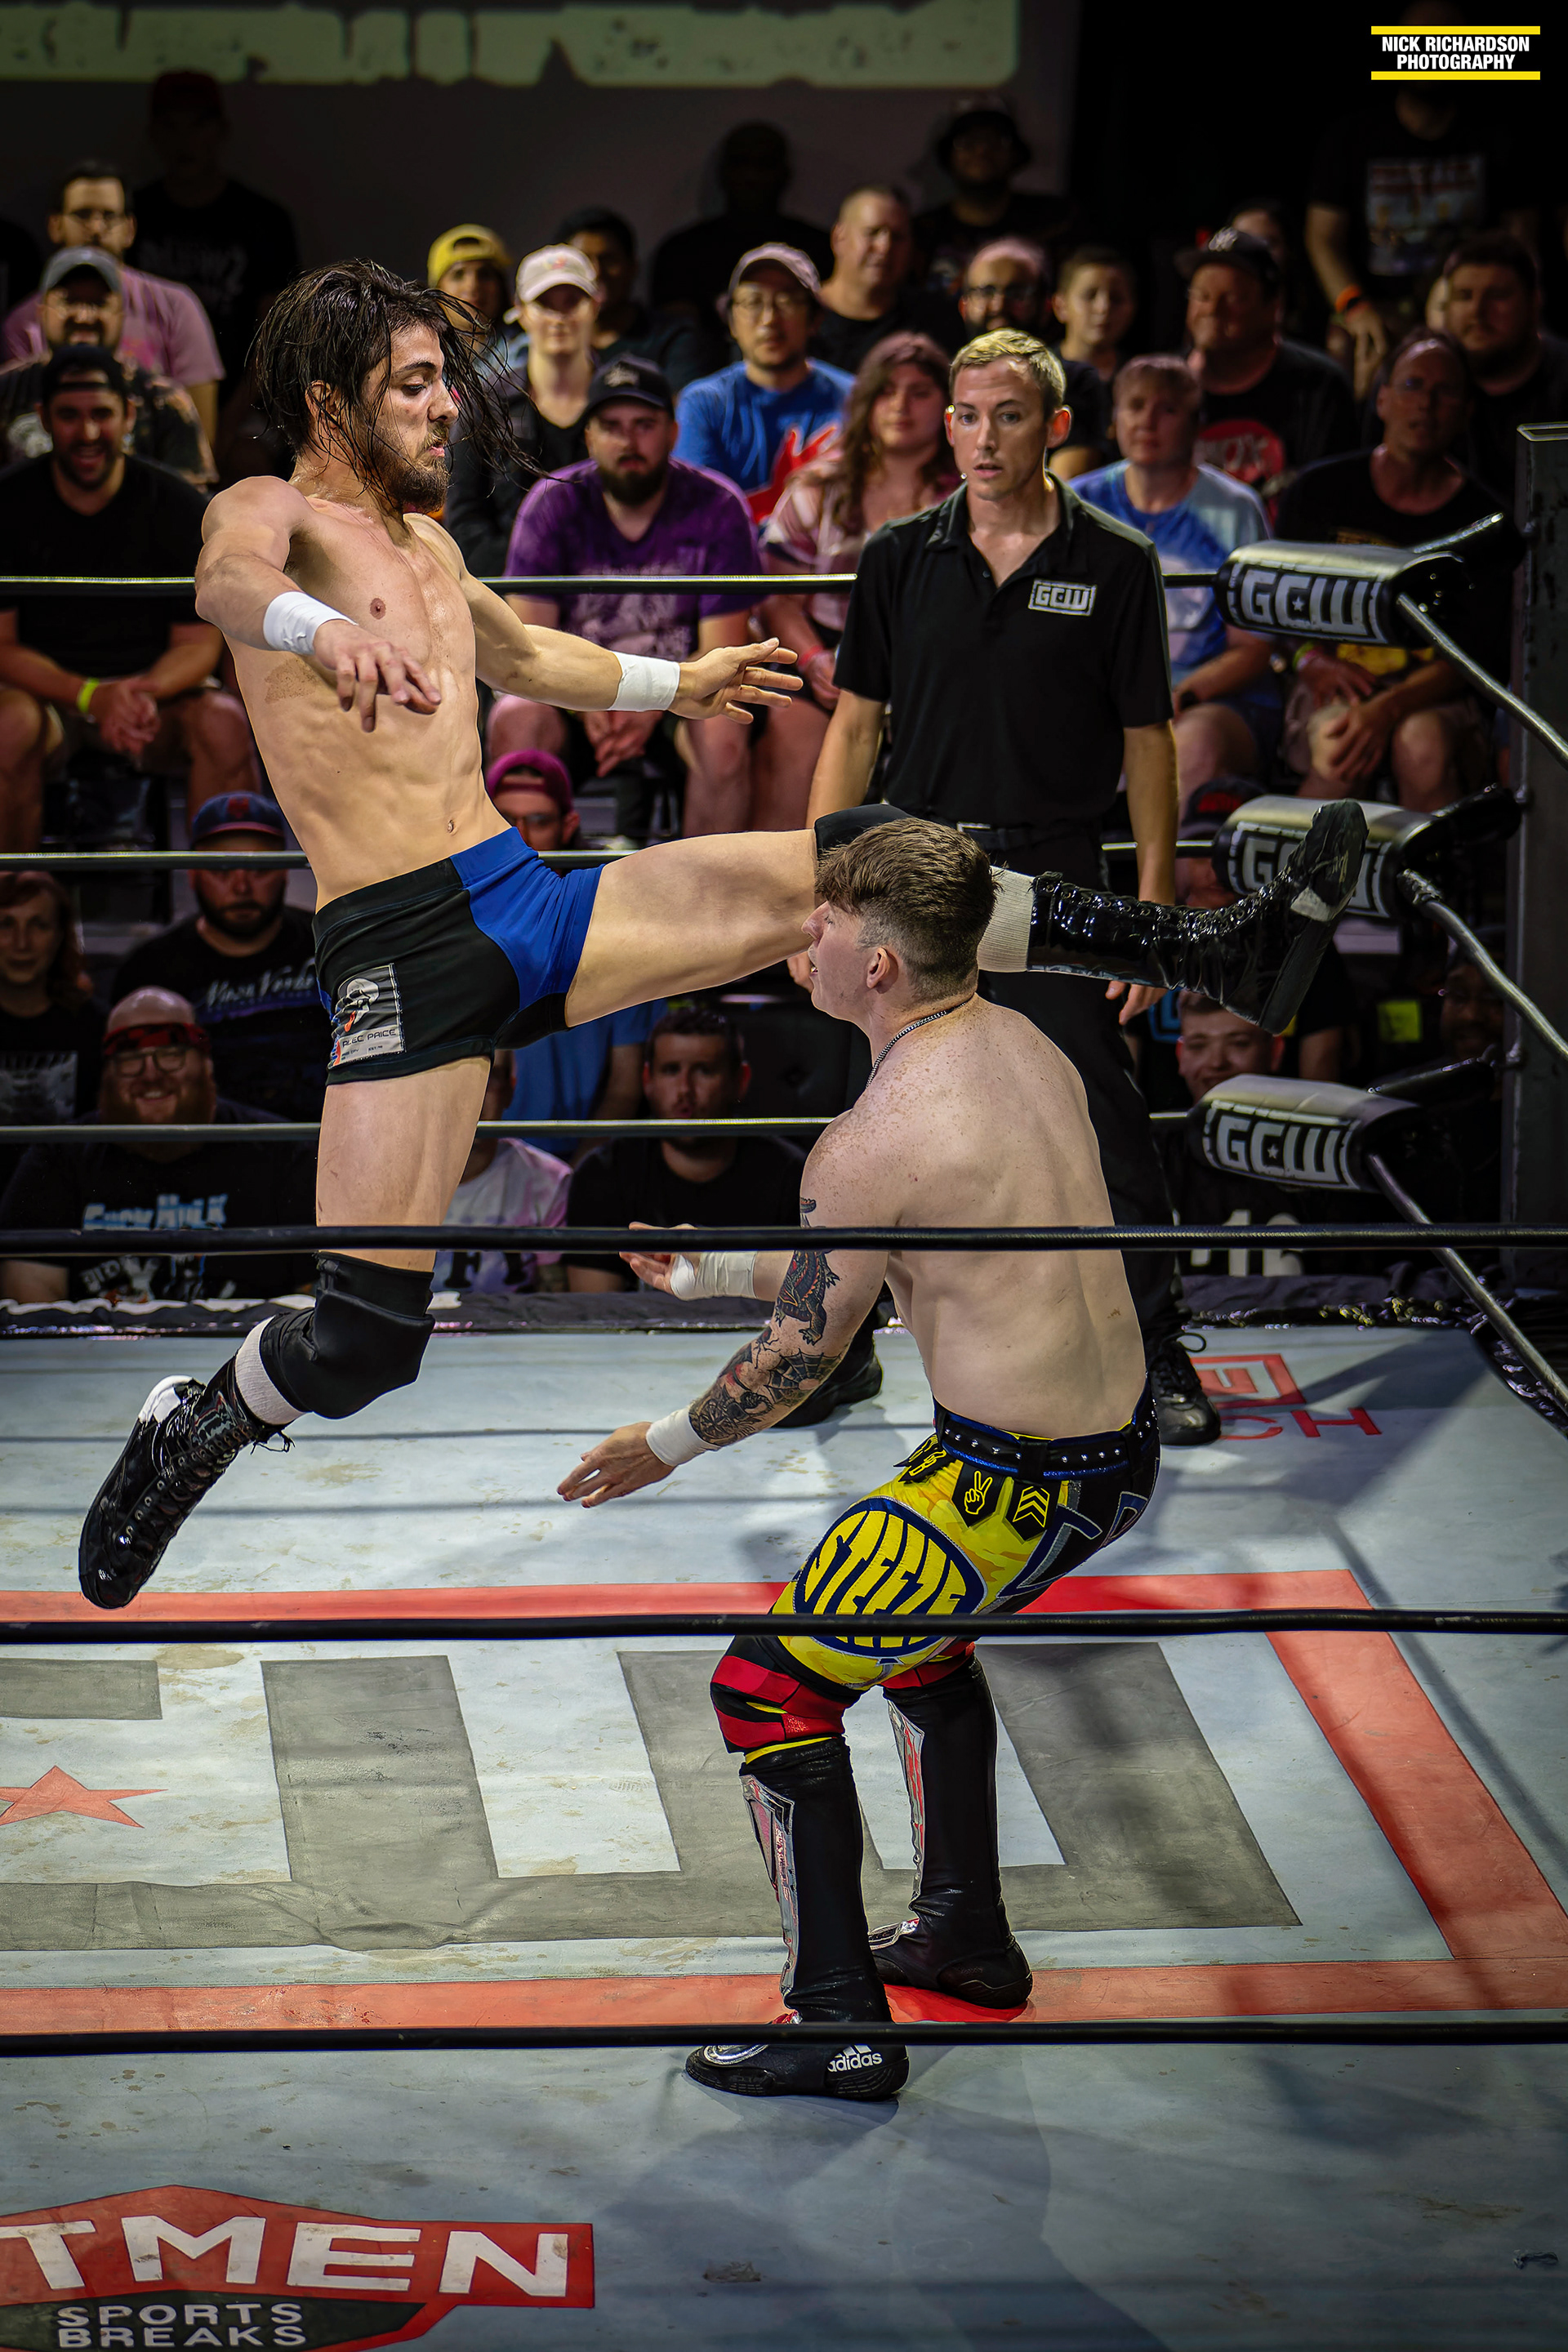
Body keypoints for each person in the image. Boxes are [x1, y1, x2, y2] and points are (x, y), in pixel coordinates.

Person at [74, 258, 1356, 1610]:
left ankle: (1209, 953)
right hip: (402, 952)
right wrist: (323, 634)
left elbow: (526, 657)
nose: (447, 408)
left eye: (444, 381)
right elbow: (225, 583)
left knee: (867, 861)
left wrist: (676, 682)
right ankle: (201, 1419)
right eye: (414, 386)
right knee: (363, 1344)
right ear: (330, 402)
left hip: (523, 896)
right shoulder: (269, 512)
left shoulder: (431, 546)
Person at [558, 822, 1160, 2100]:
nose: (803, 935)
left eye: (823, 921)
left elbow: (803, 1354)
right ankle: (965, 1935)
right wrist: (715, 1270)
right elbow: (903, 1251)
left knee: (766, 1689)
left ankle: (837, 2022)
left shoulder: (874, 1134)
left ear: (876, 965)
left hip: (1011, 1483)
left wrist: (662, 1445)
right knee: (916, 1643)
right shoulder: (1026, 1045)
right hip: (1104, 1456)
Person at [803, 327, 1211, 1445]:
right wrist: (818, 885)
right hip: (908, 867)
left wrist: (1152, 918)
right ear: (947, 428)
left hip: (1054, 867)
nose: (986, 439)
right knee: (865, 1115)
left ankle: (1157, 1342)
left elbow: (1149, 742)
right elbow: (854, 726)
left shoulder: (1115, 560)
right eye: (969, 418)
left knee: (1098, 1109)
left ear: (1057, 427)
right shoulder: (898, 555)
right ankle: (834, 1350)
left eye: (1011, 417)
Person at [488, 354, 762, 836]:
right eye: (611, 427)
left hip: (680, 697)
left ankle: (708, 883)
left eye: (644, 425)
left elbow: (720, 650)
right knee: (517, 715)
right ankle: (522, 878)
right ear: (589, 437)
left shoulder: (719, 507)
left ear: (673, 433)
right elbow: (527, 644)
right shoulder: (550, 505)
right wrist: (589, 701)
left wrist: (651, 698)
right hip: (574, 695)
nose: (628, 442)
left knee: (724, 727)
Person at [0, 344, 256, 851]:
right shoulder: (8, 503)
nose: (88, 433)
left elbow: (199, 644)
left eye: (102, 414)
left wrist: (135, 694)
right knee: (9, 726)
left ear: (129, 416)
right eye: (69, 416)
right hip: (45, 701)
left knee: (223, 724)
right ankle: (18, 897)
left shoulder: (178, 505)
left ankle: (229, 896)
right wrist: (91, 696)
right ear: (43, 419)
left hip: (150, 701)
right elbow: (2, 647)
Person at [1275, 327, 1505, 813]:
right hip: (1332, 679)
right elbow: (1275, 603)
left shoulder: (1486, 522)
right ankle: (1302, 866)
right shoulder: (1319, 491)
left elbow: (1478, 655)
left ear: (1466, 411)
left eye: (1445, 391)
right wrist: (1311, 661)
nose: (1426, 404)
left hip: (1436, 693)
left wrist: (1389, 707)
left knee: (1422, 747)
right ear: (1381, 399)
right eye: (1412, 385)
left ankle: (1431, 866)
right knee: (1340, 743)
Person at [0, 984, 315, 1307]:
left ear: (206, 1062)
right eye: (130, 1057)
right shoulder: (58, 1156)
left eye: (170, 1053)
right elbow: (29, 1299)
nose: (150, 1074)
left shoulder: (283, 1151)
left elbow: (317, 1296)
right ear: (107, 1073)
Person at [759, 332, 959, 831]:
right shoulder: (817, 487)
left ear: (949, 408)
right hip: (825, 654)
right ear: (866, 400)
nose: (901, 406)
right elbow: (778, 598)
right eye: (887, 391)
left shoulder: (968, 496)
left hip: (935, 667)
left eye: (920, 393)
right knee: (791, 735)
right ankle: (796, 873)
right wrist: (814, 660)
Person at [1075, 354, 1280, 792]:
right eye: (1135, 406)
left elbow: (1254, 648)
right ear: (1115, 418)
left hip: (1210, 701)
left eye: (1167, 409)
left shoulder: (1234, 510)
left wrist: (1179, 698)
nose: (1147, 422)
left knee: (1188, 749)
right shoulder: (1078, 504)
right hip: (1098, 698)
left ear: (1195, 423)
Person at [1306, 49, 1538, 399]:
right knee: (1361, 360)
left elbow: (1521, 239)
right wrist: (1355, 306)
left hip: (1465, 301)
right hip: (1380, 309)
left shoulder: (1497, 134)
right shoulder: (1352, 136)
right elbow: (1323, 238)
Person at [1132, 781, 1360, 1110]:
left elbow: (1321, 1079)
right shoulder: (1155, 939)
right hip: (1166, 1131)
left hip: (1272, 1124)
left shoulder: (1305, 944)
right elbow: (1125, 1063)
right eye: (1202, 852)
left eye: (1232, 855)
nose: (1215, 871)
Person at [482, 748, 668, 1151]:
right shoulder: (461, 919)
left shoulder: (615, 925)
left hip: (582, 1163)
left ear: (568, 826)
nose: (521, 838)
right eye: (505, 821)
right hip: (483, 1161)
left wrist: (574, 1175)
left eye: (539, 821)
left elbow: (625, 1087)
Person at [110, 791, 329, 1120]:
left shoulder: (327, 943)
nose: (241, 887)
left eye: (258, 868)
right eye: (222, 869)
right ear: (193, 874)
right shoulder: (149, 970)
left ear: (285, 870)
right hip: (207, 1140)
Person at [564, 1007, 804, 1291]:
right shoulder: (602, 1175)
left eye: (704, 1071)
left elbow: (808, 1296)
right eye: (671, 1070)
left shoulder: (792, 1176)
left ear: (740, 1080)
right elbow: (594, 1307)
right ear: (647, 1080)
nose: (685, 1090)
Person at [3, 159, 223, 444]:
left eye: (109, 216)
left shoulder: (176, 306)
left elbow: (199, 437)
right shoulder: (21, 323)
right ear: (55, 225)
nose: (96, 228)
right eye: (82, 214)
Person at [130, 71, 301, 397]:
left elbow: (276, 336)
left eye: (198, 125)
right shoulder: (132, 216)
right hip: (143, 395)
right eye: (171, 126)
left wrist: (231, 419)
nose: (185, 140)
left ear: (221, 131)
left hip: (244, 401)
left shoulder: (263, 220)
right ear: (154, 133)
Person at [0, 246, 214, 488]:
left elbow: (191, 498)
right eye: (69, 301)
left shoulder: (164, 401)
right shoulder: (7, 390)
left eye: (99, 303)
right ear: (41, 312)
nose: (84, 316)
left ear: (121, 314)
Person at [443, 245, 598, 577]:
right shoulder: (484, 403)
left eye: (572, 302)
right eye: (545, 304)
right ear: (521, 310)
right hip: (511, 589)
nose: (559, 317)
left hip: (613, 587)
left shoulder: (623, 397)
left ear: (595, 306)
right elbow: (465, 519)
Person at [1182, 227, 1357, 518]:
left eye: (1233, 298)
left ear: (1274, 307)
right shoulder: (1163, 383)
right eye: (1201, 295)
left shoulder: (1320, 386)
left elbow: (1331, 500)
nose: (1212, 309)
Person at [675, 247, 853, 523]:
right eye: (753, 302)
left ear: (815, 319)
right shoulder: (704, 403)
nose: (769, 319)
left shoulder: (854, 399)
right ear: (731, 321)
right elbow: (699, 515)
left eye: (786, 301)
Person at [1156, 990, 1304, 1278]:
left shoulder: (1318, 1155)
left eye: (1239, 1043)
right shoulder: (1150, 1153)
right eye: (1199, 1045)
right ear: (1181, 1056)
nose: (1217, 1062)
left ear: (1275, 1052)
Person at [651, 122, 832, 324]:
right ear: (723, 173)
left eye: (764, 164)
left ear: (784, 174)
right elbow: (673, 327)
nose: (751, 176)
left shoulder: (819, 248)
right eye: (741, 163)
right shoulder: (681, 252)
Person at [1440, 234, 1568, 506]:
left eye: (1497, 296)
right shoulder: (1422, 382)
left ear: (1534, 302)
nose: (1477, 311)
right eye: (1464, 296)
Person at [960, 241, 1107, 475]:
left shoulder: (1075, 382)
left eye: (1017, 293)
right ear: (964, 306)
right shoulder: (941, 381)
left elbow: (1067, 482)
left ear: (1046, 306)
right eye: (986, 292)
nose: (999, 305)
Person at [0, 869, 105, 1196]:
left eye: (39, 925)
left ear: (60, 937)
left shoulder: (96, 1026)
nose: (22, 943)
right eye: (5, 925)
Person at [434, 1048, 572, 1297]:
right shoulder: (387, 1180)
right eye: (456, 1076)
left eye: (489, 1079)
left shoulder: (548, 1181)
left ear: (510, 1090)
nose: (472, 1095)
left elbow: (555, 1297)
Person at [914, 96, 1071, 307]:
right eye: (967, 142)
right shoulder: (921, 233)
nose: (982, 150)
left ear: (1015, 153)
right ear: (948, 156)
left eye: (996, 141)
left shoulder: (1055, 223)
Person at [555, 207, 709, 393]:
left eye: (609, 260)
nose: (596, 272)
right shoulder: (546, 340)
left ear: (633, 267)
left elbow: (686, 407)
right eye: (583, 262)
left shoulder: (675, 338)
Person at [811, 186, 956, 378]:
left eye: (897, 237)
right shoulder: (800, 316)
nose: (884, 247)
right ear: (839, 238)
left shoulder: (934, 322)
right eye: (872, 232)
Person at [1051, 245, 1138, 390]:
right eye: (1090, 296)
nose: (1103, 308)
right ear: (1061, 306)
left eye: (1116, 299)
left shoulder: (1141, 380)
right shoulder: (1037, 376)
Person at [427, 223, 512, 351]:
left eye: (485, 274)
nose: (472, 286)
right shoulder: (416, 353)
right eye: (458, 275)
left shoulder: (528, 351)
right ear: (437, 290)